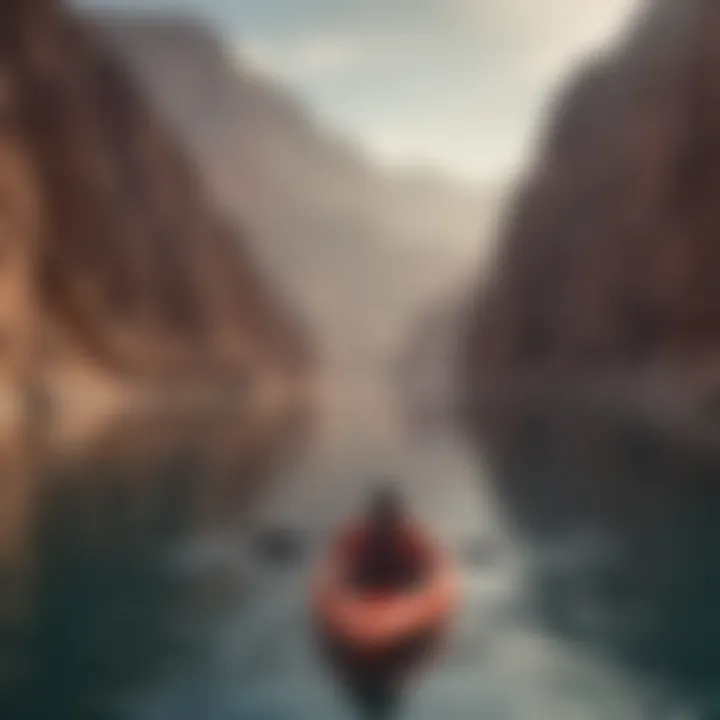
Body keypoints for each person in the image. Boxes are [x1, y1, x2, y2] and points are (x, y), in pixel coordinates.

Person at [347, 483, 428, 591]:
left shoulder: (407, 540)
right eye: (382, 514)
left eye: (388, 514)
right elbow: (351, 574)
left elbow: (419, 574)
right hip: (369, 593)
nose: (385, 521)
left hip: (401, 593)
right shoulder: (362, 540)